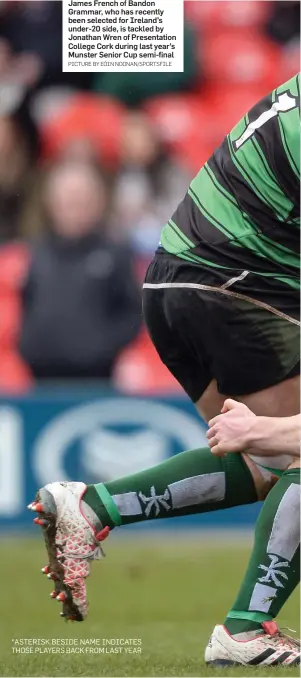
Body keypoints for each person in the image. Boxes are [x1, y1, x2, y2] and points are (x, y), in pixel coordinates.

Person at [30, 75, 300, 665]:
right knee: (291, 452)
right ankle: (246, 629)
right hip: (241, 290)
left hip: (176, 282)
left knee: (265, 459)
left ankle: (96, 507)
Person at [19, 162, 141, 381]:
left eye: (81, 198)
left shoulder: (116, 253)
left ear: (98, 202)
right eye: (67, 198)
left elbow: (133, 313)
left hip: (98, 379)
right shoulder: (35, 253)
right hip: (39, 380)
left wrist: (101, 347)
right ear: (51, 202)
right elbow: (25, 304)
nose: (73, 205)